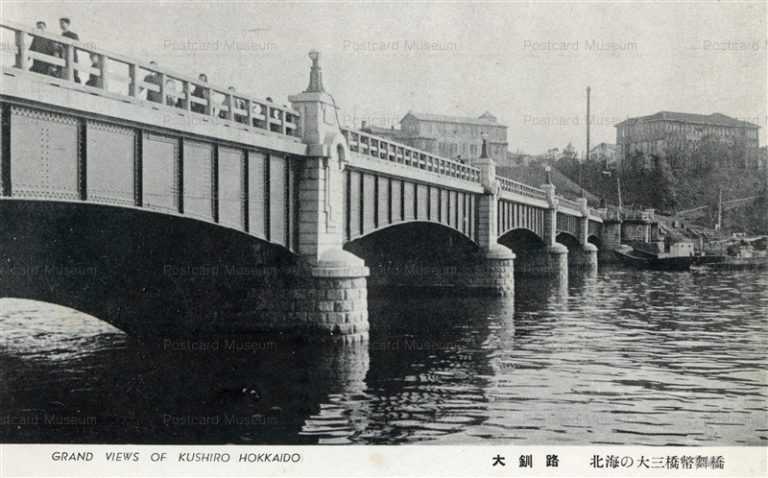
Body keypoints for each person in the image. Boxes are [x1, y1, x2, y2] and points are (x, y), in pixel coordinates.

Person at [58, 17, 80, 82]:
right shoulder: (62, 35)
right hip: (63, 57)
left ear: (67, 24)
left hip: (72, 57)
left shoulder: (73, 35)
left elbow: (77, 46)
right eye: (60, 23)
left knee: (73, 74)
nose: (61, 25)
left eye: (62, 23)